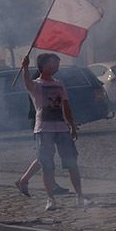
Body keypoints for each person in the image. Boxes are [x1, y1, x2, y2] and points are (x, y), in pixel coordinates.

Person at [21, 53, 88, 210]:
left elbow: (66, 106)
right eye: (54, 62)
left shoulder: (60, 84)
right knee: (47, 165)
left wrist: (71, 124)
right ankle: (50, 199)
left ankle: (80, 196)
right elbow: (27, 83)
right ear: (45, 65)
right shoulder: (36, 85)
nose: (57, 65)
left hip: (62, 129)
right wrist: (24, 67)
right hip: (44, 130)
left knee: (72, 163)